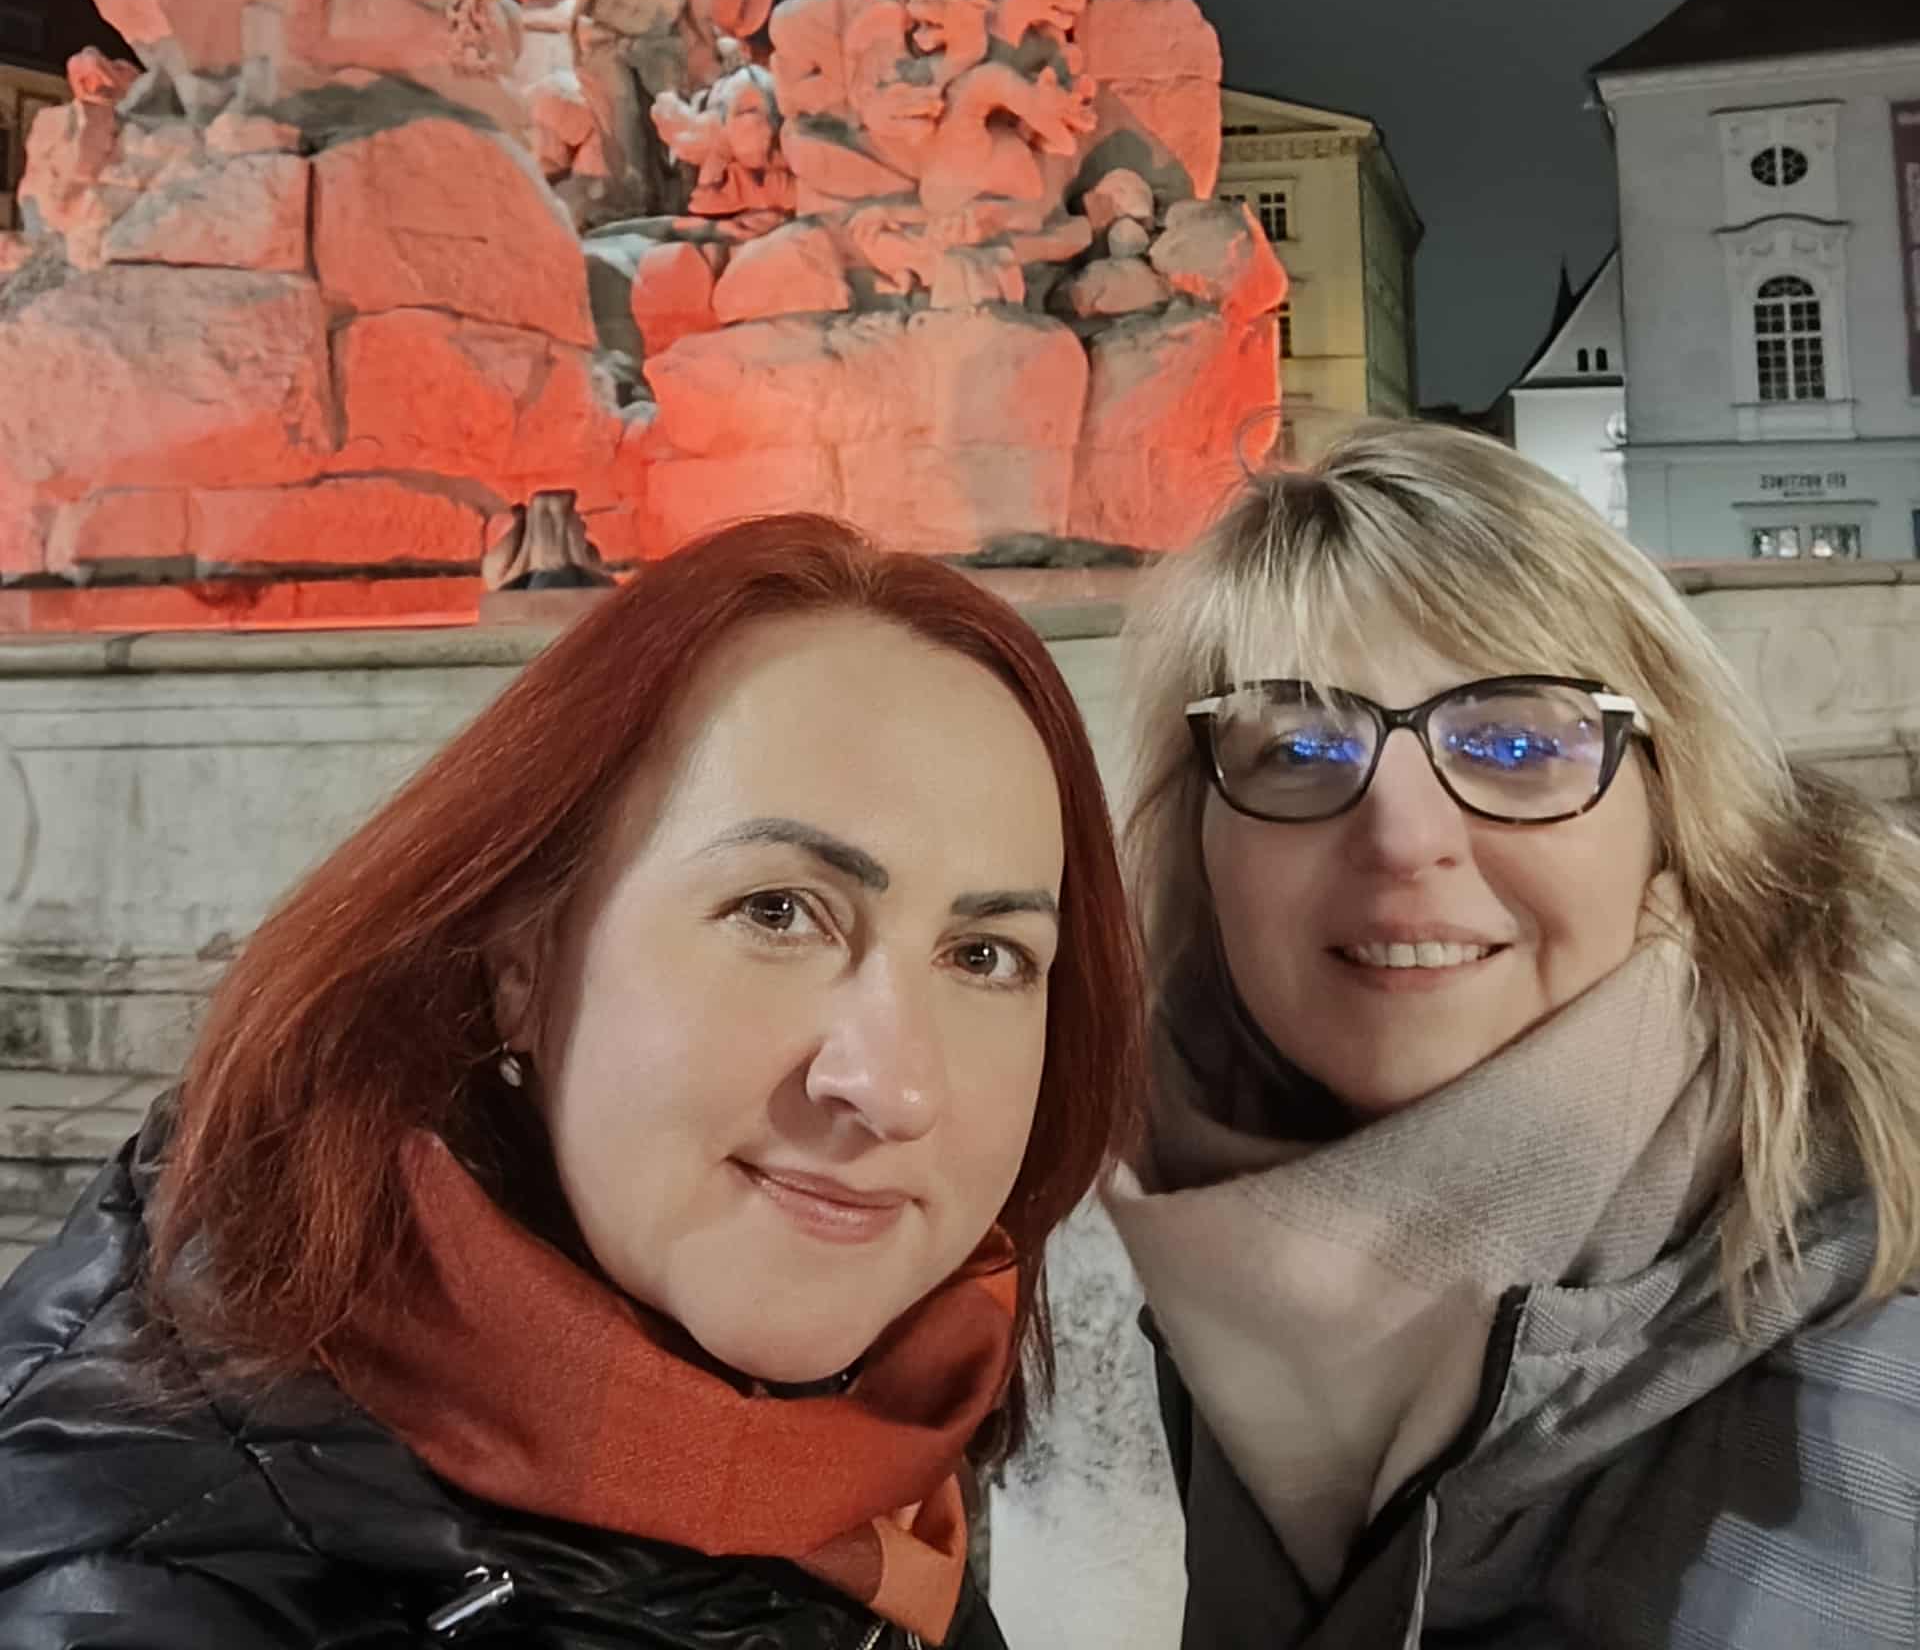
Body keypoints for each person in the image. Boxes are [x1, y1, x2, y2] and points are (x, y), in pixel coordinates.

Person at [0, 514, 1140, 1649]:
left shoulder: (877, 1427)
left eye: (985, 956)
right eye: (778, 910)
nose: (894, 1089)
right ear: (525, 963)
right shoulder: (149, 1591)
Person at [1108, 420, 1920, 1649]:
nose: (1402, 837)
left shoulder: (1878, 1389)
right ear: (1198, 844)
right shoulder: (1230, 1265)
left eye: (1518, 742)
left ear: (1674, 812)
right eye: (1302, 746)